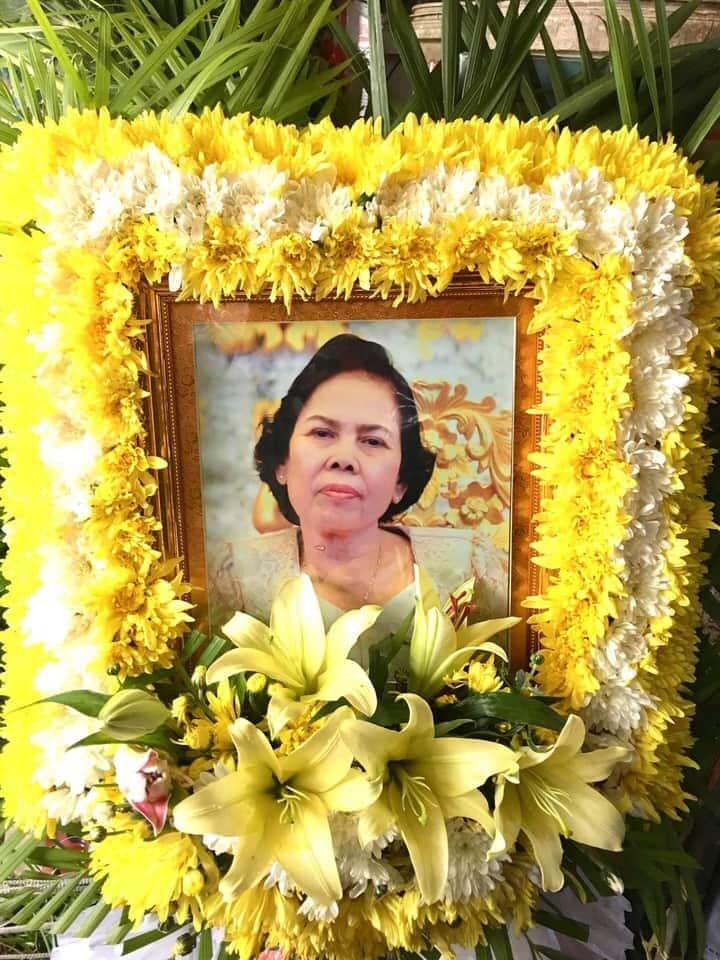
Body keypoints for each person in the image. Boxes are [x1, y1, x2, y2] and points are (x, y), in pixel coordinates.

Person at [209, 334, 508, 661]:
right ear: (282, 462)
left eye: (373, 441)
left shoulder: (468, 571)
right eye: (322, 433)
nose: (344, 458)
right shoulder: (234, 583)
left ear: (401, 481)